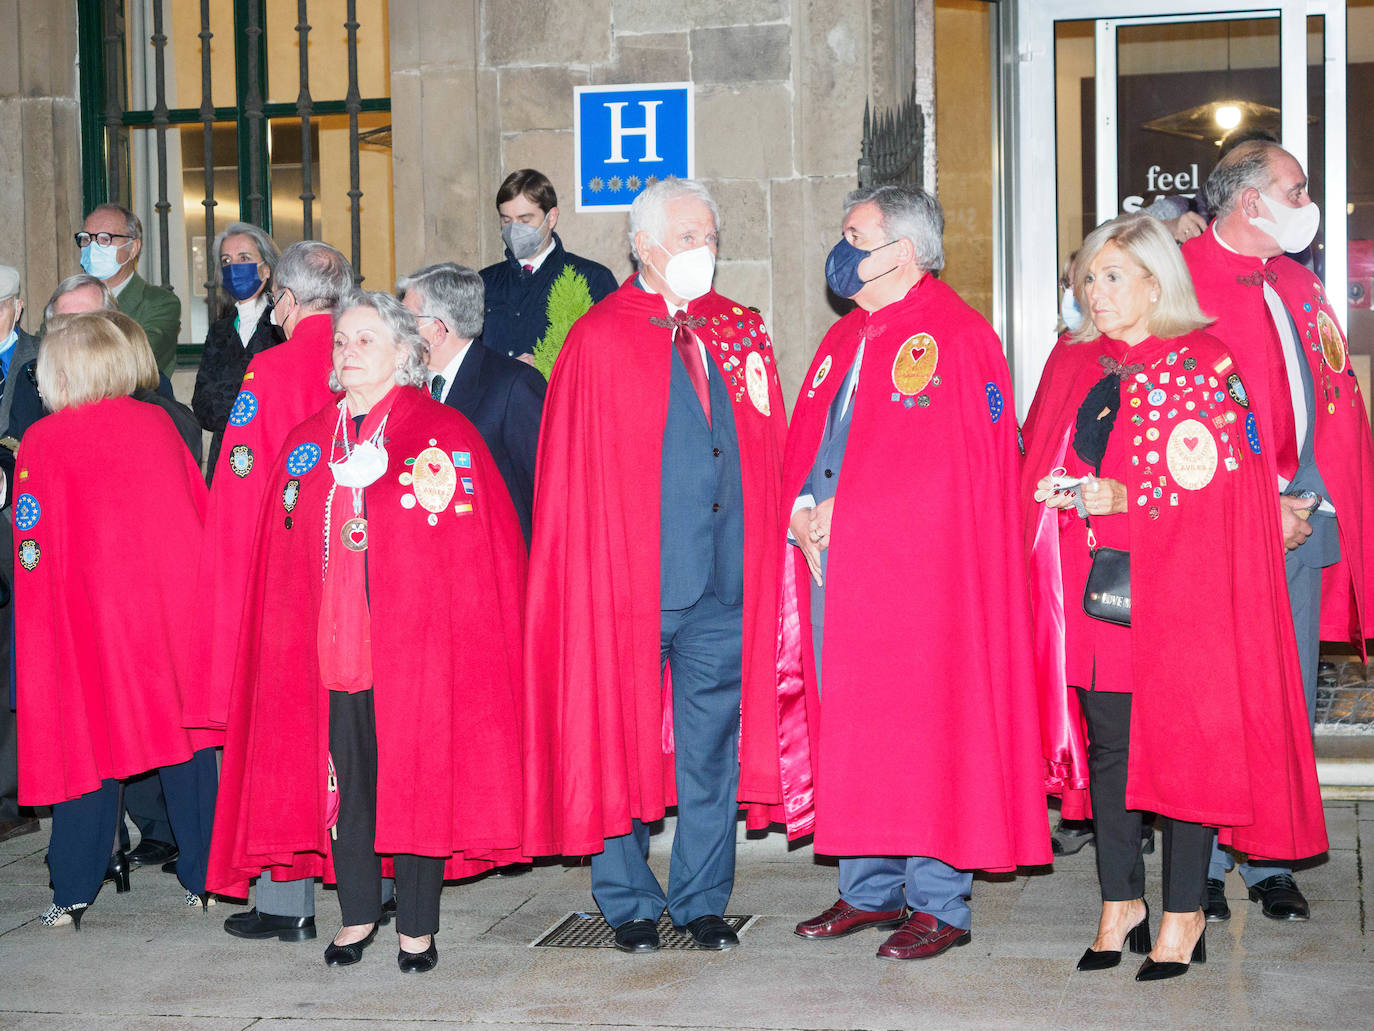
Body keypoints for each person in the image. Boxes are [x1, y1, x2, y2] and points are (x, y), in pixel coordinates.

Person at [1024, 213, 1327, 980]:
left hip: (1178, 595)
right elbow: (1034, 454)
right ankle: (1120, 899)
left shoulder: (1202, 359)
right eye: (1089, 277)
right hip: (1095, 598)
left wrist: (1120, 497)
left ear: (1158, 283)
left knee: (1184, 749)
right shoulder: (1073, 363)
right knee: (1111, 750)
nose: (1096, 291)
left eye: (1114, 276)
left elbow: (1227, 486)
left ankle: (1185, 908)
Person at [208, 291, 530, 973]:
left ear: (404, 353)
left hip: (414, 649)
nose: (347, 354)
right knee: (346, 785)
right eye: (341, 343)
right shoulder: (306, 442)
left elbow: (472, 550)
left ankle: (417, 927)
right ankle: (356, 914)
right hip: (330, 646)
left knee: (414, 781)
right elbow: (282, 553)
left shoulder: (441, 433)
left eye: (364, 341)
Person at [777, 185, 1049, 962]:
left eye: (854, 233)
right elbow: (813, 443)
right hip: (838, 573)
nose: (842, 244)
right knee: (855, 728)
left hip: (923, 586)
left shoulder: (959, 337)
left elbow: (965, 476)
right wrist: (800, 505)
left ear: (899, 250)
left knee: (929, 730)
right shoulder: (846, 339)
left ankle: (938, 902)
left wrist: (853, 516)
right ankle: (869, 889)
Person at [522, 177, 788, 953]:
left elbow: (770, 445)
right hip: (629, 587)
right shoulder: (599, 338)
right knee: (619, 739)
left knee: (711, 753)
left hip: (723, 584)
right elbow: (568, 478)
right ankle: (629, 898)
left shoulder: (740, 330)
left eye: (710, 236)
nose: (702, 250)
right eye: (686, 238)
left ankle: (704, 897)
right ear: (643, 246)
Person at [1181, 140, 1374, 923]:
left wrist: (1315, 499)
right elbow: (1178, 419)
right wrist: (1261, 499)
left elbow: (1329, 397)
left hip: (1303, 519)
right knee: (1212, 698)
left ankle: (1269, 861)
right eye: (1296, 188)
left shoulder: (1298, 282)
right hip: (1215, 528)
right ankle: (1201, 863)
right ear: (1253, 202)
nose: (1308, 199)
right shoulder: (1180, 278)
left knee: (1284, 697)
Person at [13, 312, 218, 927]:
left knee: (85, 748)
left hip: (86, 623)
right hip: (168, 619)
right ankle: (206, 879)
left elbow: (32, 548)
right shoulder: (159, 422)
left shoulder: (46, 440)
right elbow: (195, 517)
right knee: (186, 748)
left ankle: (73, 889)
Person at [187, 239, 353, 943]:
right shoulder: (367, 357)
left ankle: (288, 905)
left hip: (287, 585)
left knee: (283, 736)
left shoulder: (272, 368)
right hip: (355, 575)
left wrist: (224, 592)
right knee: (354, 735)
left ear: (283, 300)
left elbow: (242, 489)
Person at [398, 262, 545, 542]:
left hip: (498, 557)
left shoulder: (514, 385)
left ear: (438, 331)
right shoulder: (408, 385)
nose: (398, 332)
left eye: (407, 320)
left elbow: (544, 491)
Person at [478, 168, 618, 363]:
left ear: (551, 218)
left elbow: (611, 353)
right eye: (506, 220)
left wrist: (547, 364)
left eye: (525, 220)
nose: (514, 229)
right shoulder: (484, 281)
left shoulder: (592, 278)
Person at [193, 222, 286, 477]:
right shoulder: (219, 331)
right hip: (226, 458)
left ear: (266, 268)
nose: (234, 267)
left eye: (244, 258)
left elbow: (281, 405)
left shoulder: (283, 326)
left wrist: (231, 395)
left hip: (272, 458)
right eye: (226, 260)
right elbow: (203, 408)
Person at [0, 265, 39, 844]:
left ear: (16, 306)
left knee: (13, 656)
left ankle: (10, 796)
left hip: (16, 524)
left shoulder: (38, 357)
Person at [76, 203, 181, 375]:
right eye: (86, 238)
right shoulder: (67, 299)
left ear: (133, 248)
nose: (92, 248)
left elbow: (136, 363)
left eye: (105, 239)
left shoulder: (160, 303)